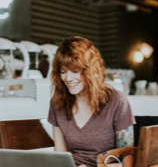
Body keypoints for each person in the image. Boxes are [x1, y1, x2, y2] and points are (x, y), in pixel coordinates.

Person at [48, 36, 136, 167]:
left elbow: (127, 159)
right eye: (63, 71)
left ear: (90, 70)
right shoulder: (57, 103)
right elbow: (60, 154)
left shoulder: (116, 101)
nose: (68, 78)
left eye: (75, 71)